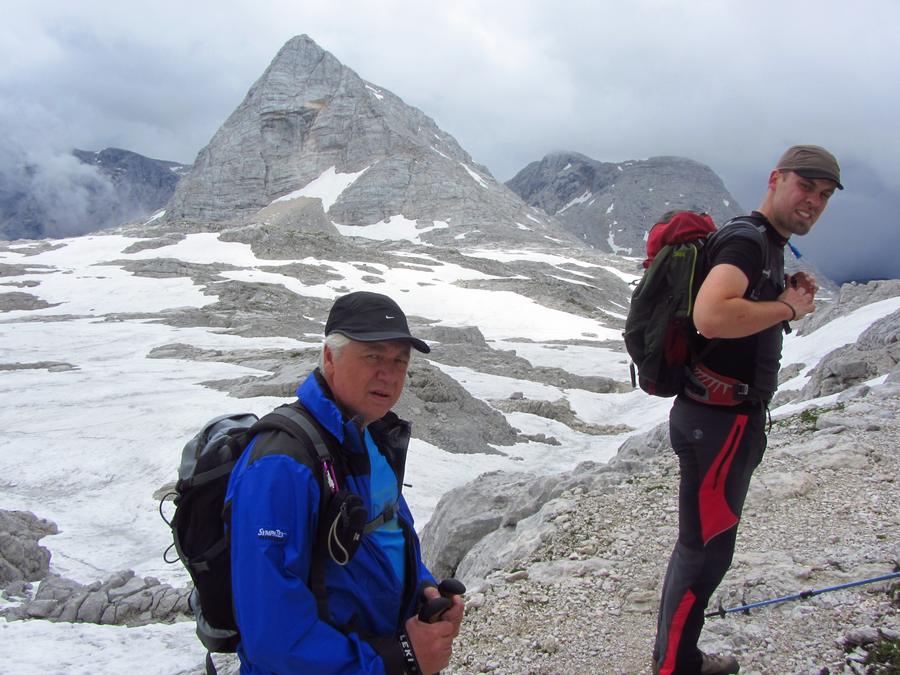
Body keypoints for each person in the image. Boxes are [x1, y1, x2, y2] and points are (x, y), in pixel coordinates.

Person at [651, 145, 842, 675]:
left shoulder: (763, 243)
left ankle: (676, 657)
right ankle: (676, 666)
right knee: (705, 551)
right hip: (719, 422)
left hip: (717, 418)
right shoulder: (748, 241)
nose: (814, 201)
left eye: (824, 195)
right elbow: (711, 316)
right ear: (776, 179)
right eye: (805, 187)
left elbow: (732, 313)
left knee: (703, 545)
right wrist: (786, 308)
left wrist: (780, 297)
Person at [225, 290, 465, 674]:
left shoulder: (370, 440)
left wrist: (423, 590)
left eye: (399, 361)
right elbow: (272, 637)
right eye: (373, 356)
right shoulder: (281, 465)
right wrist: (395, 659)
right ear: (329, 358)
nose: (389, 374)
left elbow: (386, 538)